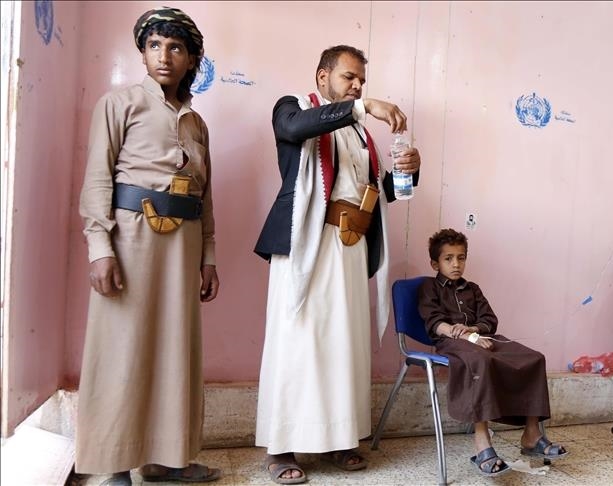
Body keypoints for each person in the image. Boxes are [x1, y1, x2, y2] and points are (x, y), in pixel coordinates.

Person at [253, 45, 421, 484]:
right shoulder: (292, 108)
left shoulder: (361, 136)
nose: (357, 86)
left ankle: (339, 439)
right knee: (298, 342)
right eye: (350, 77)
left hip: (352, 246)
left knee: (344, 345)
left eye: (362, 81)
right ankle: (281, 448)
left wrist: (409, 172)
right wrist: (363, 107)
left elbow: (375, 194)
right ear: (322, 76)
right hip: (308, 243)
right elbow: (295, 128)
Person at [76, 7, 220, 485]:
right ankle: (115, 464)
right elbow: (98, 178)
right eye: (155, 45)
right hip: (131, 238)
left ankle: (167, 459)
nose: (164, 56)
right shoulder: (118, 104)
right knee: (123, 347)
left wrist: (209, 257)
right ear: (142, 53)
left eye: (176, 48)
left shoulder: (197, 124)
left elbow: (205, 196)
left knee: (176, 349)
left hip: (184, 244)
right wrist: (100, 247)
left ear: (191, 59)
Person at [417, 229, 567, 477]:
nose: (456, 264)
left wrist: (474, 330)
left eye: (461, 258)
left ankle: (531, 434)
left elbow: (489, 320)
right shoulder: (429, 287)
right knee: (481, 360)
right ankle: (481, 442)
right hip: (452, 343)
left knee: (534, 358)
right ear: (435, 263)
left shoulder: (472, 289)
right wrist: (460, 334)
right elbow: (433, 322)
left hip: (482, 339)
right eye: (448, 258)